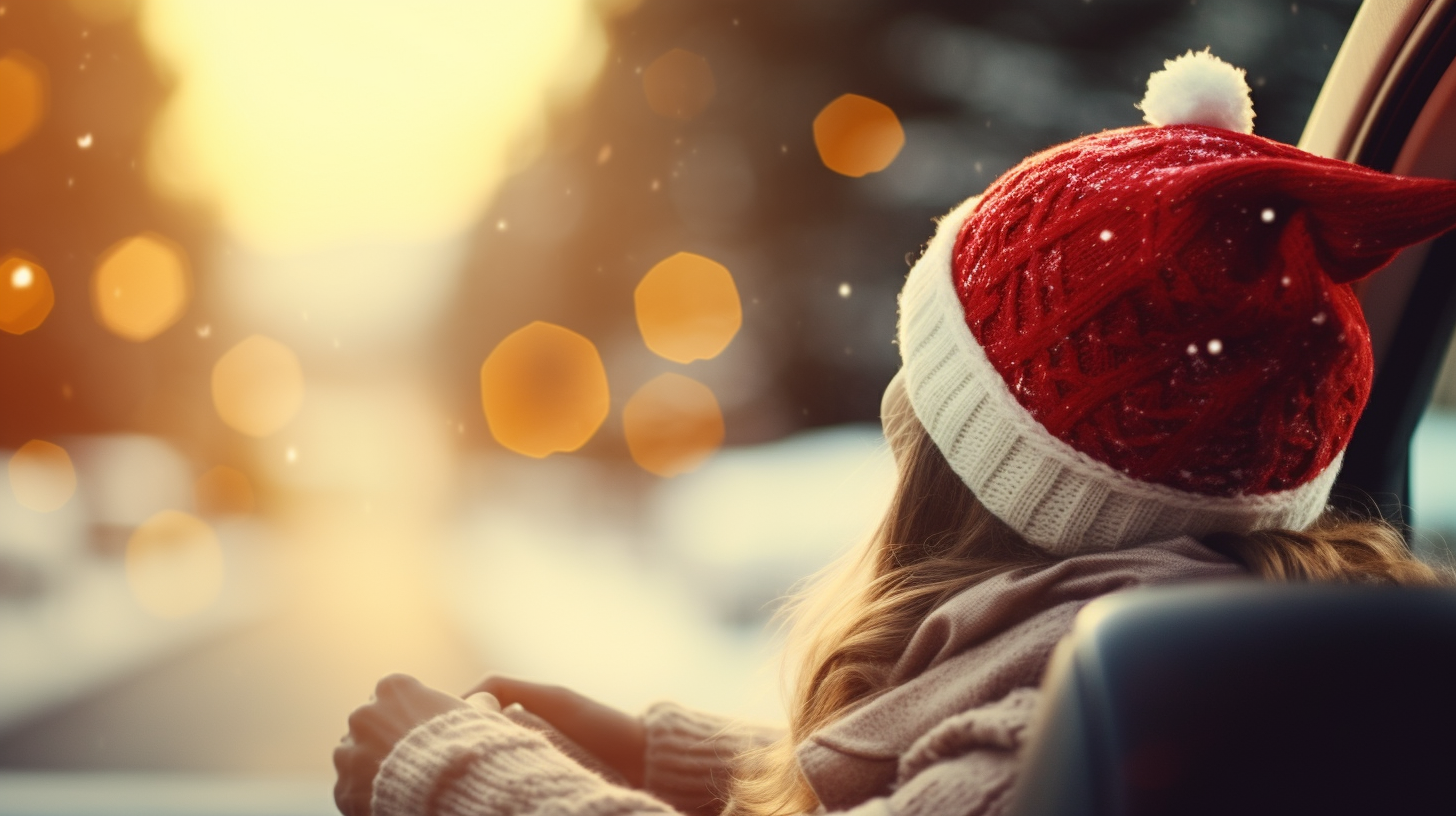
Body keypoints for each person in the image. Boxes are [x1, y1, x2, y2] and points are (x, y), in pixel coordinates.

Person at [334, 50, 1456, 816]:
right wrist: (694, 767)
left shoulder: (1067, 712)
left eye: (919, 397)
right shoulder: (1228, 660)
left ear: (974, 468)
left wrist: (460, 774)